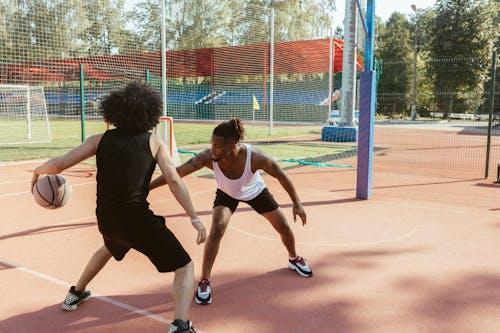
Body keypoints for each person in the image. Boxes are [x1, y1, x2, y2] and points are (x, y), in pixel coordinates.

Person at [31, 81, 206, 333]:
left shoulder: (99, 140)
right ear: (150, 114)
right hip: (136, 219)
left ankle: (75, 293)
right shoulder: (155, 143)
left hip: (107, 218)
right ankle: (181, 325)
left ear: (114, 112)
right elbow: (175, 181)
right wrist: (194, 218)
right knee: (184, 266)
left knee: (109, 247)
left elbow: (59, 165)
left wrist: (38, 171)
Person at [150, 117, 312, 306]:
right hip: (227, 193)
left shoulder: (256, 157)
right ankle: (205, 280)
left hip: (255, 192)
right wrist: (147, 188)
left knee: (283, 227)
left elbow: (281, 176)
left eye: (217, 146)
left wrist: (297, 203)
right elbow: (176, 173)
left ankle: (294, 258)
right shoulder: (207, 158)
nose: (213, 149)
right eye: (212, 144)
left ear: (233, 145)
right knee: (217, 228)